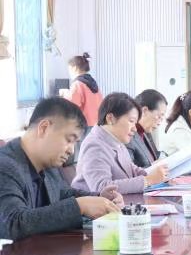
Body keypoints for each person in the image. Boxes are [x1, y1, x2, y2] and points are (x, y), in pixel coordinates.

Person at [0, 97, 121, 241]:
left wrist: (100, 198)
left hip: (43, 252)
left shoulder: (48, 164)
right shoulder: (5, 166)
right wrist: (80, 206)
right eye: (69, 140)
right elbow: (13, 224)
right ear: (44, 128)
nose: (71, 150)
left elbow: (64, 194)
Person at [72, 93, 169, 194]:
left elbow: (132, 170)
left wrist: (158, 175)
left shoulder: (117, 141)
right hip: (94, 203)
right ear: (110, 118)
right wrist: (148, 180)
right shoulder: (94, 146)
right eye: (131, 121)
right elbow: (102, 187)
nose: (135, 129)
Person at [128, 89, 167, 168]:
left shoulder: (146, 132)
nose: (160, 122)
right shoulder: (127, 135)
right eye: (159, 116)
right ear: (145, 110)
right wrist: (154, 168)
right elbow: (128, 171)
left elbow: (155, 156)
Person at [67, 53, 103, 127]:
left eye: (69, 69)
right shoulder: (93, 83)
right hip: (97, 124)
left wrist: (66, 95)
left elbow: (71, 107)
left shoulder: (77, 84)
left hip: (84, 125)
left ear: (74, 68)